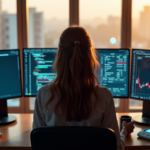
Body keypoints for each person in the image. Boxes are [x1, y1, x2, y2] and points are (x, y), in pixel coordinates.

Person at [33, 25, 134, 150]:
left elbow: (37, 142)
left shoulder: (44, 94)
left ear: (59, 57)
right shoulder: (104, 96)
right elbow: (116, 147)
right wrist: (123, 131)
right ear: (90, 58)